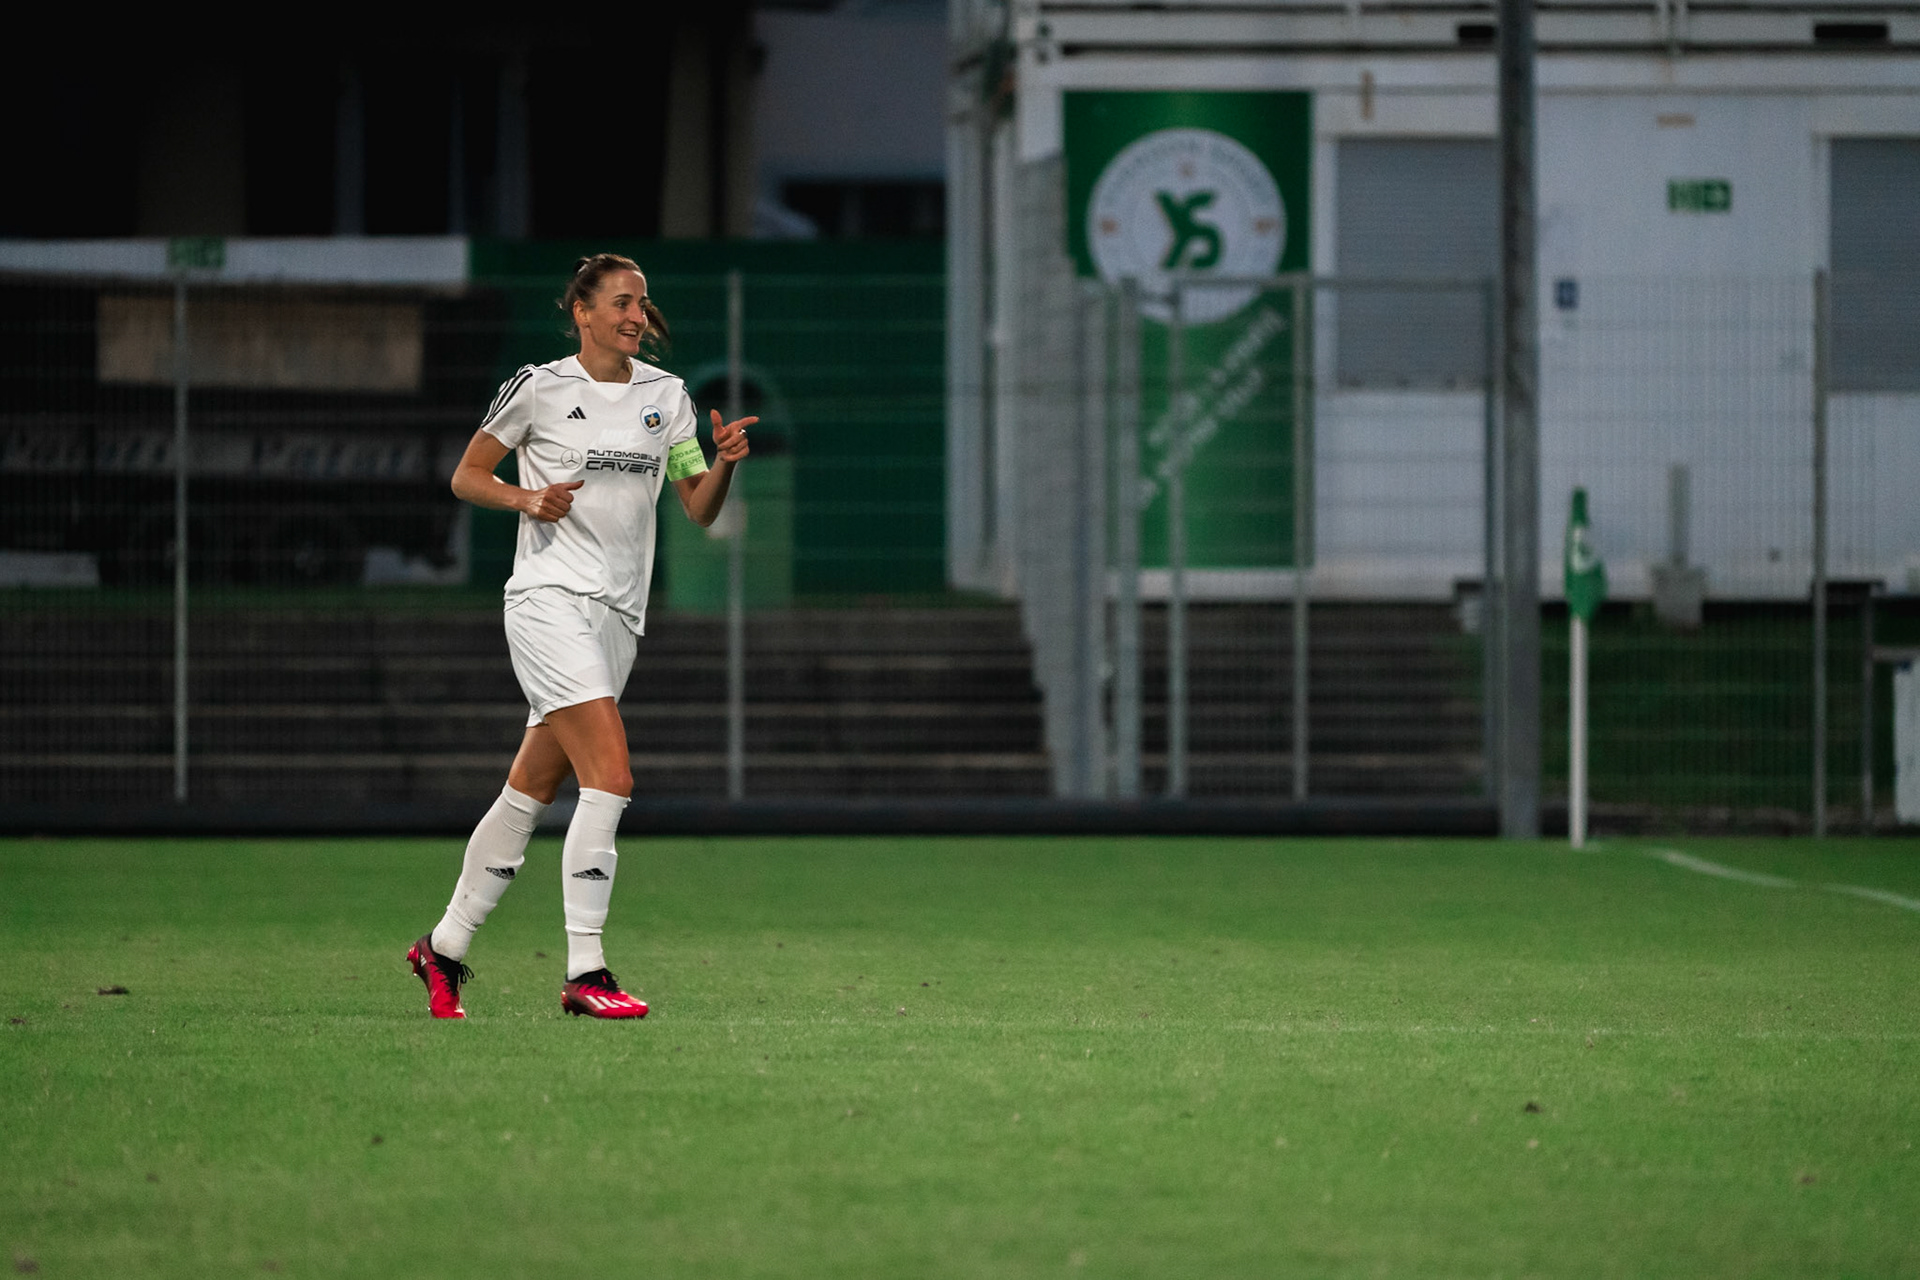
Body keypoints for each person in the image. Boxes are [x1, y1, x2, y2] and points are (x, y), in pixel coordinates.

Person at [407, 253, 752, 1020]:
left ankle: (444, 947)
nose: (637, 314)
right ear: (584, 313)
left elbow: (698, 506)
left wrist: (723, 466)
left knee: (530, 789)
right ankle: (586, 972)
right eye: (623, 302)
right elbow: (468, 476)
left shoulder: (670, 400)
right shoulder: (540, 386)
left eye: (644, 302)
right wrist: (528, 497)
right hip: (548, 601)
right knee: (612, 776)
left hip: (619, 619)